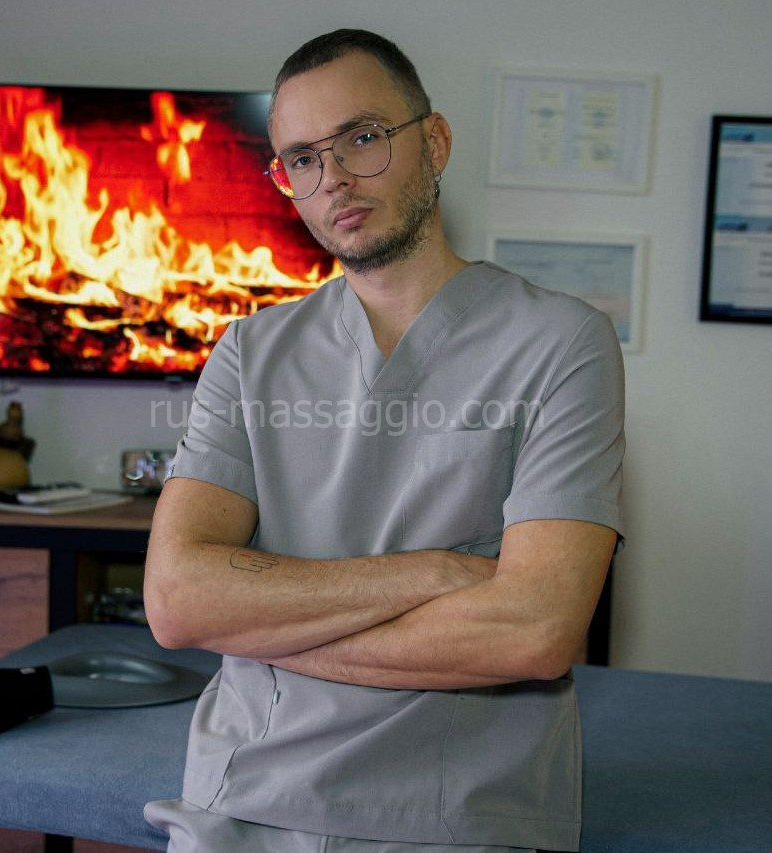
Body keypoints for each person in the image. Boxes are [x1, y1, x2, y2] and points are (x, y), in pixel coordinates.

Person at [143, 28, 624, 853]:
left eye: (361, 138)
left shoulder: (561, 342)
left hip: (458, 813)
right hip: (242, 797)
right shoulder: (250, 351)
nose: (331, 178)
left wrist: (264, 627)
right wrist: (434, 572)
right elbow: (179, 601)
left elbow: (534, 630)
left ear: (433, 143)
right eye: (300, 159)